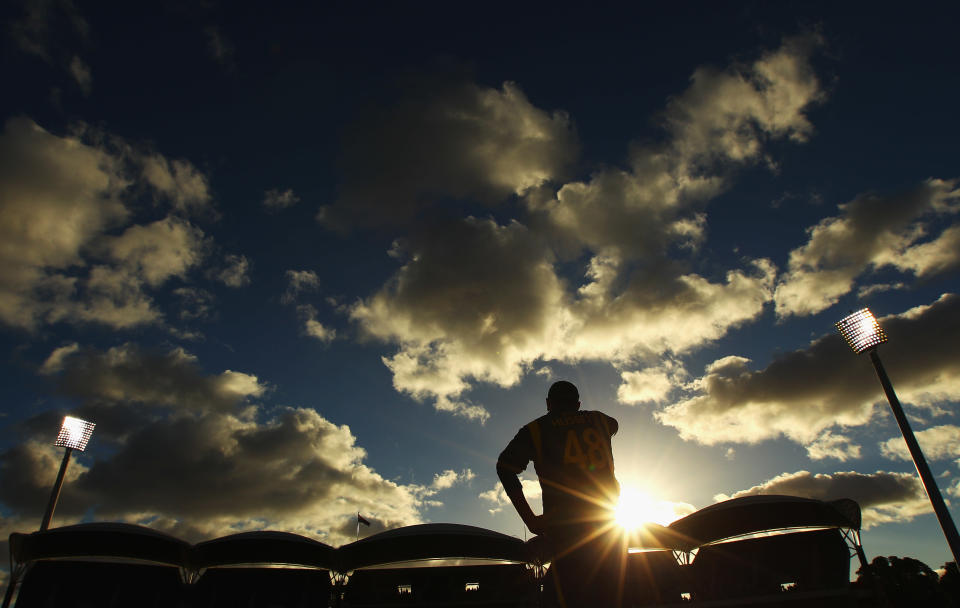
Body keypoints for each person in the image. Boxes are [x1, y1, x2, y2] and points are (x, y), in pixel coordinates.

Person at [496, 380, 622, 607]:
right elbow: (614, 425)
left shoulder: (536, 430)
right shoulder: (601, 420)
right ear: (578, 403)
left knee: (565, 595)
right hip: (607, 526)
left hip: (566, 531)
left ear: (548, 404)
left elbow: (504, 467)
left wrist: (531, 520)